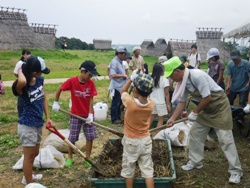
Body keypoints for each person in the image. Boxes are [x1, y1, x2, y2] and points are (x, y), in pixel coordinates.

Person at [164, 56, 243, 184]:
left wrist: (195, 112)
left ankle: (236, 171)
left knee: (225, 139)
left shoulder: (197, 76)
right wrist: (172, 119)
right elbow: (182, 103)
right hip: (206, 110)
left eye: (171, 75)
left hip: (219, 108)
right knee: (196, 133)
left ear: (177, 72)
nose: (171, 78)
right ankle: (195, 161)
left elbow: (207, 97)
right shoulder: (182, 82)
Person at [12, 56, 52, 185]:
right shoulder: (21, 86)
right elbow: (23, 81)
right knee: (28, 157)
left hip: (37, 123)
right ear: (33, 72)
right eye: (41, 71)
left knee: (34, 153)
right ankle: (29, 184)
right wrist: (21, 69)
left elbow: (44, 98)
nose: (42, 73)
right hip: (27, 125)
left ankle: (27, 176)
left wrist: (48, 118)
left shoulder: (40, 79)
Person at [52, 60, 99, 167]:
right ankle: (70, 158)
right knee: (72, 137)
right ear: (83, 71)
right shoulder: (72, 81)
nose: (90, 77)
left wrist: (90, 114)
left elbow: (91, 99)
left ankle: (87, 157)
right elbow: (60, 89)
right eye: (89, 74)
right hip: (75, 115)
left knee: (90, 137)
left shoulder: (91, 83)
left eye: (92, 75)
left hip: (88, 115)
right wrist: (56, 102)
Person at [120, 73, 155, 188]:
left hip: (131, 141)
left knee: (129, 169)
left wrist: (130, 79)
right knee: (148, 170)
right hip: (145, 140)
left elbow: (123, 92)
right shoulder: (152, 104)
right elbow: (146, 97)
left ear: (134, 91)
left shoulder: (130, 103)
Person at [109, 46, 128, 124]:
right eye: (123, 54)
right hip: (116, 86)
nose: (125, 56)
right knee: (115, 103)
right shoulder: (114, 62)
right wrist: (122, 76)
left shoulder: (120, 61)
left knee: (119, 102)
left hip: (121, 86)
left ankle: (118, 117)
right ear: (119, 54)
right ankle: (114, 118)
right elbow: (112, 75)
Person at [150, 63, 171, 127]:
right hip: (161, 102)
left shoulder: (151, 79)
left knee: (151, 118)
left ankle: (144, 133)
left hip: (151, 102)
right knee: (160, 120)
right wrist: (168, 104)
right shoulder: (165, 80)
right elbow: (166, 93)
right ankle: (157, 135)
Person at [13, 49, 32, 118]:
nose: (29, 55)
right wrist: (20, 77)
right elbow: (15, 73)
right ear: (23, 55)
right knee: (21, 98)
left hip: (28, 85)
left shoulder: (29, 63)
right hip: (22, 84)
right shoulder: (20, 63)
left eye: (29, 54)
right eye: (27, 54)